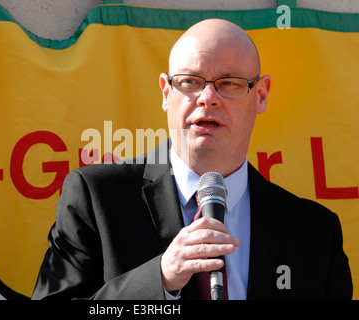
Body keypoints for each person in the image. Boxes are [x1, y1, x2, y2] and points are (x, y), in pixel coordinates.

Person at [32, 19, 352, 300]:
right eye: (189, 82)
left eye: (228, 83)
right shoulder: (97, 198)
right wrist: (159, 279)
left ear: (261, 94)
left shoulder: (313, 231)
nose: (207, 97)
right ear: (165, 92)